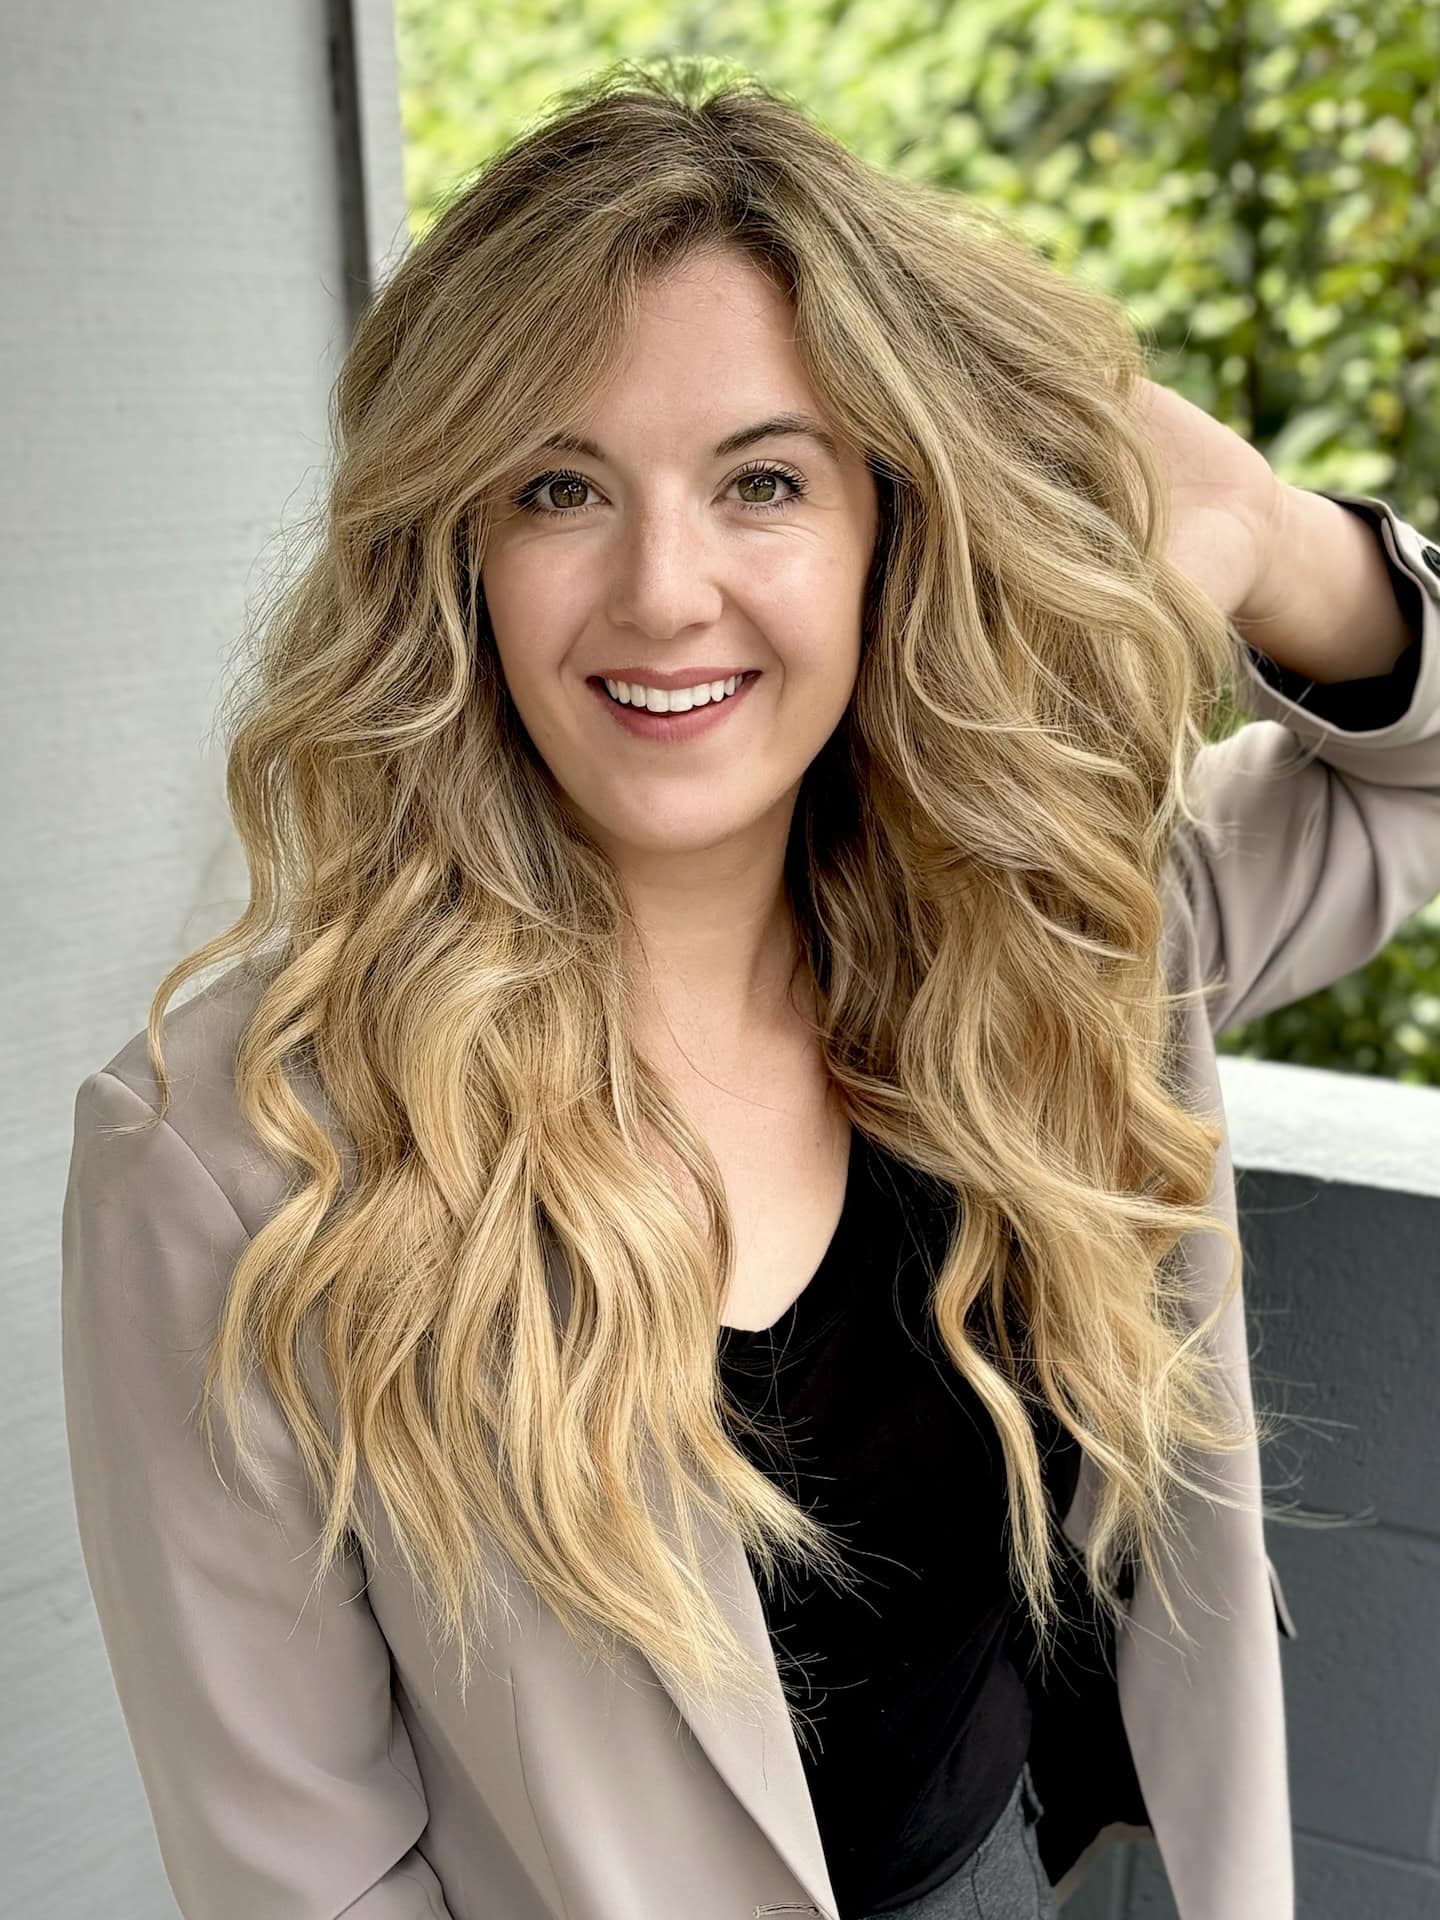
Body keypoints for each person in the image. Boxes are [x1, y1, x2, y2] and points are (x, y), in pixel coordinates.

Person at [60, 58, 1438, 1920]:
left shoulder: (1050, 933)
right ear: (454, 552)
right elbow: (313, 1885)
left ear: (887, 528)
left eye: (763, 482)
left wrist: (1268, 535)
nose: (663, 589)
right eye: (559, 486)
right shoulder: (228, 1160)